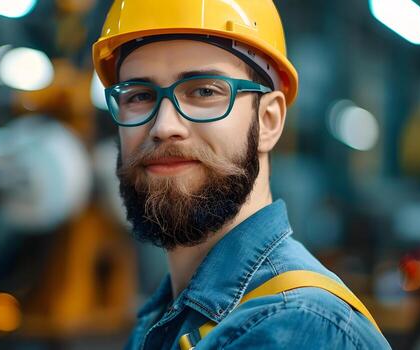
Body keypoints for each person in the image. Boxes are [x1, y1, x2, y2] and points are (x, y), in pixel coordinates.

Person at [91, 1, 392, 348]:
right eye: (140, 96)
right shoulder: (164, 318)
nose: (163, 126)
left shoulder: (296, 327)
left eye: (204, 91)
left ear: (268, 121)